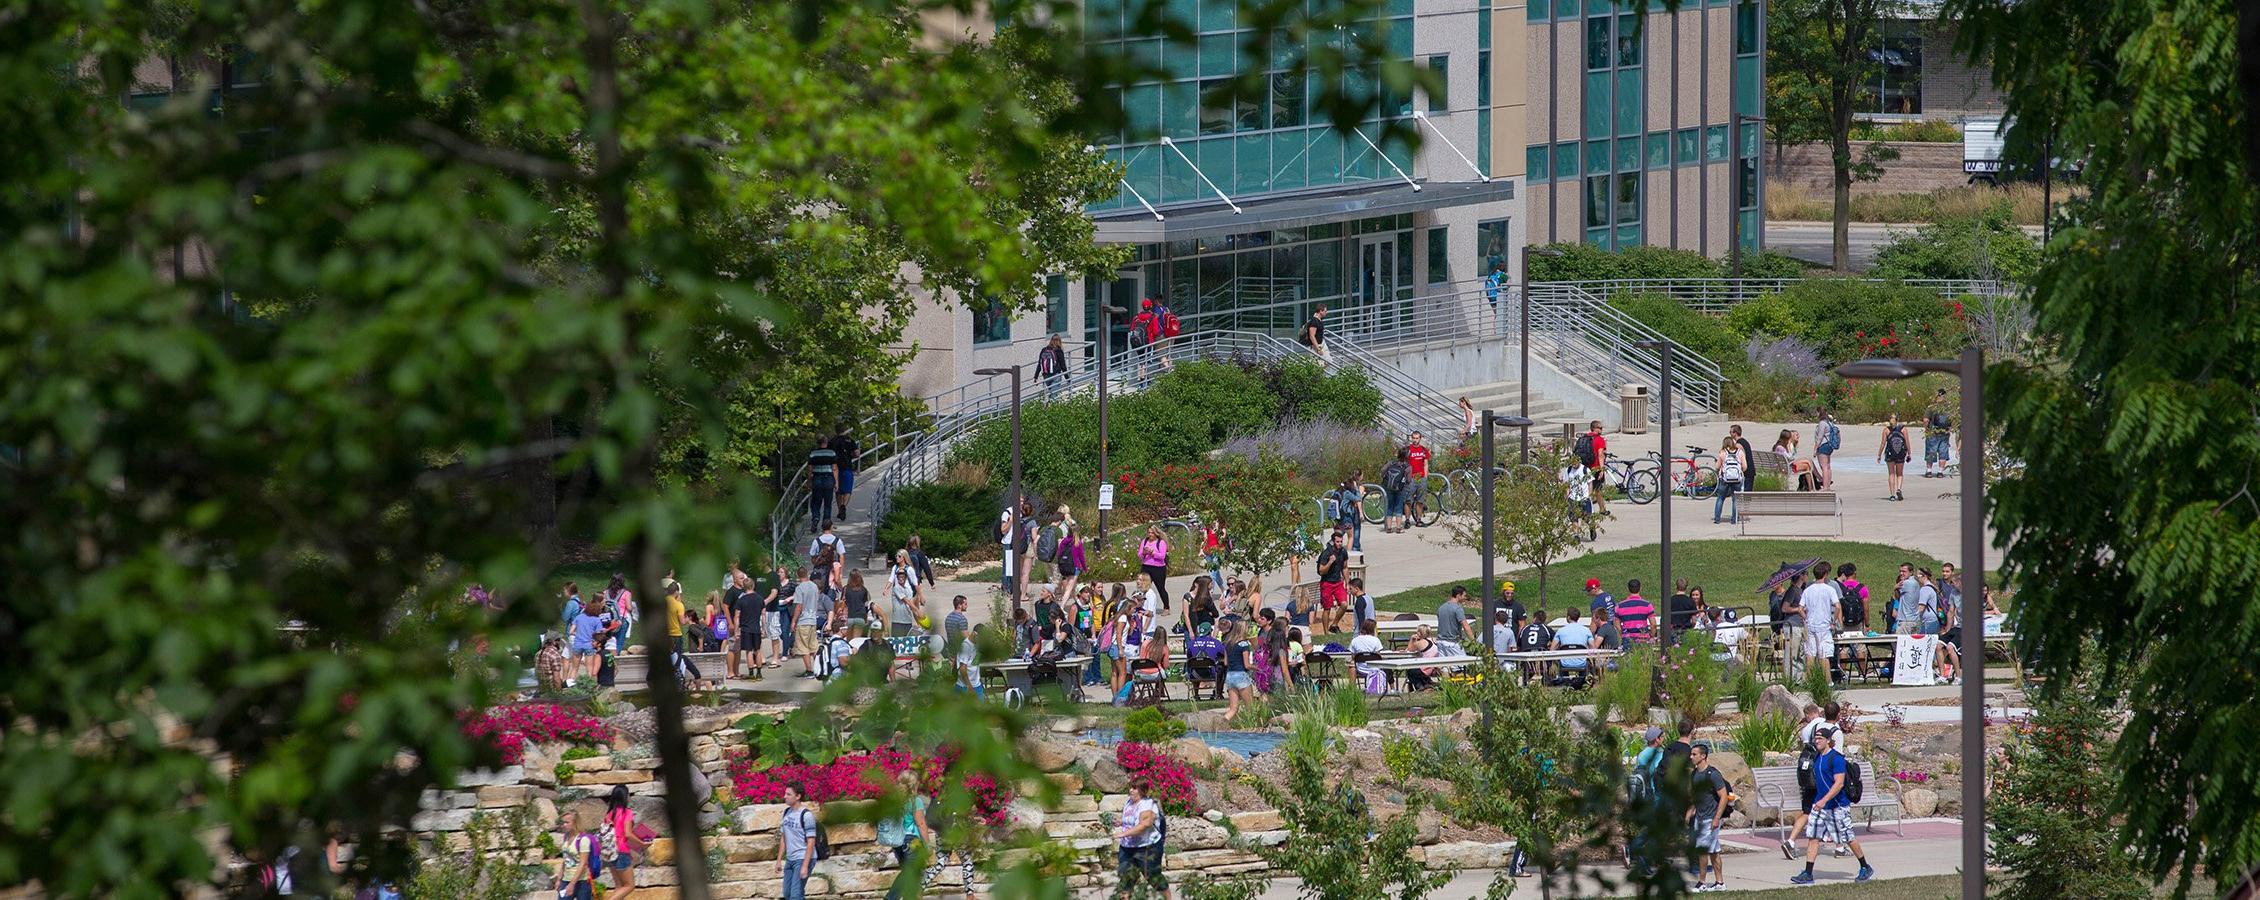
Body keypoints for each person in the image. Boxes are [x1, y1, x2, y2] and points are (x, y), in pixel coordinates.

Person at [1789, 726, 1874, 884]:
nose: (1817, 741)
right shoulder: (1818, 757)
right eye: (1816, 738)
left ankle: (1865, 867)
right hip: (1820, 806)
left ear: (1829, 741)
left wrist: (1823, 800)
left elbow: (1839, 783)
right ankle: (1808, 873)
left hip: (1837, 806)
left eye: (1820, 738)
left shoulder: (1836, 758)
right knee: (1813, 837)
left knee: (1848, 837)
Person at [906, 772, 976, 900]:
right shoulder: (959, 791)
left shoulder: (939, 791)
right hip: (955, 832)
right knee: (966, 861)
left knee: (941, 862)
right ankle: (970, 896)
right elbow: (966, 811)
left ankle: (919, 890)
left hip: (941, 831)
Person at [1114, 781, 1170, 899]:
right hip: (1127, 847)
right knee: (1126, 880)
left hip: (1148, 847)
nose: (1131, 790)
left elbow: (1144, 825)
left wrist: (1123, 834)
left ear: (1143, 790)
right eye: (1130, 787)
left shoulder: (1148, 805)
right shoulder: (1129, 802)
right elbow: (1132, 820)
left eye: (1135, 788)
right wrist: (1121, 822)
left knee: (1154, 879)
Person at [1687, 742, 1729, 892]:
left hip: (1710, 818)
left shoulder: (1713, 774)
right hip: (1700, 817)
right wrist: (1689, 812)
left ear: (1703, 756)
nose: (1691, 757)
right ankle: (1720, 882)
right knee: (1714, 851)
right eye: (1691, 754)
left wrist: (1717, 818)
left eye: (1694, 754)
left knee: (1703, 850)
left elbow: (1723, 796)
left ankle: (1702, 882)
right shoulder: (1694, 774)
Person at [601, 785, 650, 900]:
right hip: (621, 851)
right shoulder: (627, 813)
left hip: (610, 852)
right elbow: (627, 834)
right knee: (629, 885)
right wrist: (642, 844)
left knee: (619, 886)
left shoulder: (609, 814)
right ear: (624, 797)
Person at [1799, 561, 1840, 683]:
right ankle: (1828, 681)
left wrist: (1806, 618)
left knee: (1810, 654)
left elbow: (1800, 608)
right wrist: (1833, 620)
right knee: (1824, 655)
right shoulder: (1829, 589)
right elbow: (1837, 606)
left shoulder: (1808, 590)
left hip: (1811, 624)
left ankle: (1810, 680)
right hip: (1824, 625)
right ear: (1826, 574)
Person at [553, 810, 599, 900]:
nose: (564, 825)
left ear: (575, 823)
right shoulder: (566, 837)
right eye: (563, 823)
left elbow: (583, 863)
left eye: (567, 822)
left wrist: (572, 884)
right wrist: (559, 879)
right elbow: (565, 860)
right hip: (566, 879)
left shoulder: (583, 839)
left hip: (581, 881)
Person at [793, 569, 829, 678]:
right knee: (813, 646)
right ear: (807, 574)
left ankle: (809, 670)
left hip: (803, 620)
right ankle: (821, 667)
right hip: (813, 619)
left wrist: (794, 620)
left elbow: (799, 606)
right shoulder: (814, 586)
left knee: (803, 647)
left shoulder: (799, 588)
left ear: (797, 575)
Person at [1221, 619, 1258, 723]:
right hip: (1240, 675)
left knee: (1233, 708)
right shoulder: (1244, 644)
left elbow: (1226, 663)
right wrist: (1258, 668)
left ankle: (1221, 723)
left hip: (1230, 676)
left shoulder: (1228, 643)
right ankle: (1251, 727)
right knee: (1250, 707)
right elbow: (1247, 665)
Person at [1315, 531, 1349, 628]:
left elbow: (1345, 567)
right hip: (1327, 583)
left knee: (1344, 605)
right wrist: (1330, 562)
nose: (1340, 544)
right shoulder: (1327, 553)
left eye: (1341, 541)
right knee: (1327, 608)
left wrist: (1347, 582)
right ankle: (1326, 632)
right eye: (1338, 542)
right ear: (1333, 542)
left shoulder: (1343, 552)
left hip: (1338, 582)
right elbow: (1321, 571)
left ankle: (1334, 625)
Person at [1552, 607, 1595, 684]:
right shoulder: (1586, 630)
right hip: (1581, 662)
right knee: (1586, 661)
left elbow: (1552, 650)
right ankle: (1583, 681)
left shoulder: (1560, 631)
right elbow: (1593, 648)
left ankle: (1564, 681)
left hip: (1565, 663)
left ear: (1568, 617)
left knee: (1560, 660)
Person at [1713, 432, 1746, 525]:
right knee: (1735, 499)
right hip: (1737, 479)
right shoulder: (1740, 452)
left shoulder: (1722, 453)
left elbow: (1717, 467)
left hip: (1724, 479)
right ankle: (1734, 519)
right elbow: (1745, 467)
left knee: (1720, 498)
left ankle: (1717, 518)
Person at [1577, 420, 1609, 515]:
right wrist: (1602, 469)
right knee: (1598, 489)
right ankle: (1602, 509)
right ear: (1595, 428)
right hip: (1595, 467)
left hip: (1584, 467)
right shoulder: (1599, 439)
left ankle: (1580, 509)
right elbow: (1600, 454)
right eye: (1600, 428)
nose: (1601, 430)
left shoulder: (1584, 438)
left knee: (1584, 489)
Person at [806, 437, 839, 530]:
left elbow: (809, 469)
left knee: (816, 502)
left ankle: (815, 517)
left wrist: (809, 481)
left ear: (818, 443)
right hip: (828, 479)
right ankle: (826, 524)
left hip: (817, 479)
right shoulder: (831, 453)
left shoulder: (813, 453)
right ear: (826, 442)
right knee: (828, 503)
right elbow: (834, 468)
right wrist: (836, 482)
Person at [1348, 619, 1387, 695]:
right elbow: (1379, 656)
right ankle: (1391, 688)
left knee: (1351, 665)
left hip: (1360, 669)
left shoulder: (1355, 640)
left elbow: (1353, 656)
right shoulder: (1376, 640)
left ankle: (1351, 688)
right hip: (1374, 669)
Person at [943, 595, 973, 691]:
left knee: (953, 674)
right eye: (965, 604)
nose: (966, 606)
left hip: (951, 649)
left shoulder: (948, 617)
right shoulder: (961, 619)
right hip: (961, 652)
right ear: (959, 605)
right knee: (963, 676)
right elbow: (966, 636)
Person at [1380, 448, 1414, 533]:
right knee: (1399, 507)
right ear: (1407, 456)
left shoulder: (1391, 463)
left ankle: (1388, 528)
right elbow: (1409, 480)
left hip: (1389, 487)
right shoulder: (1408, 467)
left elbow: (1382, 470)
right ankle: (1398, 528)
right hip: (1400, 489)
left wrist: (1385, 477)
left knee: (1390, 506)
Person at [1879, 416, 1911, 501]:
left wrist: (1879, 455)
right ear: (1898, 420)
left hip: (1890, 454)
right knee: (1899, 474)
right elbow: (1907, 442)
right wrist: (1909, 453)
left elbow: (1883, 444)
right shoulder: (1903, 429)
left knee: (1891, 474)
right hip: (1900, 453)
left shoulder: (1886, 430)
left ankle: (1892, 495)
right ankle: (1899, 489)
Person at [1923, 387, 1953, 478]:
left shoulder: (1932, 407)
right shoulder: (1949, 408)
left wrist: (1926, 429)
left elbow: (1925, 420)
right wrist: (1949, 429)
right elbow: (1952, 420)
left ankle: (1929, 471)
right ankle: (1940, 472)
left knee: (1931, 451)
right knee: (1943, 452)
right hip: (1944, 433)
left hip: (1933, 432)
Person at [1328, 478, 1364, 554]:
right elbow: (1358, 498)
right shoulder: (1347, 493)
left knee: (1338, 535)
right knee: (1351, 537)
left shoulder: (1337, 492)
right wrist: (1357, 489)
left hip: (1337, 518)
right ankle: (1348, 556)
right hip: (1347, 518)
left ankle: (1332, 548)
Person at [1137, 526, 1170, 607]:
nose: (1150, 534)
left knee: (1160, 588)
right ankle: (1142, 605)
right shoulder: (1144, 541)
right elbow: (1139, 555)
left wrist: (1153, 553)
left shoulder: (1161, 543)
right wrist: (1144, 553)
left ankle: (1166, 607)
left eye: (1152, 533)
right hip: (1146, 566)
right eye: (1149, 532)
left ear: (1156, 534)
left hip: (1158, 568)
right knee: (1143, 587)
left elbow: (1162, 556)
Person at [832, 429, 861, 521]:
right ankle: (844, 506)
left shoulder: (833, 441)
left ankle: (839, 509)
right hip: (847, 467)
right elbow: (857, 454)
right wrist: (851, 455)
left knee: (838, 490)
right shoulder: (850, 440)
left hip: (835, 468)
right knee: (848, 490)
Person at [1404, 431, 1432, 522]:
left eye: (1417, 438)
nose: (1415, 440)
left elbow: (1426, 464)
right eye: (1414, 438)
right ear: (1411, 438)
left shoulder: (1424, 450)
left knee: (1420, 500)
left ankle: (1419, 519)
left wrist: (1425, 477)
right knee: (1408, 500)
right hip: (1411, 478)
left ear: (1420, 438)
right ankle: (1407, 520)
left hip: (1421, 477)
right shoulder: (1408, 450)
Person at [1616, 580, 1654, 644]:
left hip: (1627, 639)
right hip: (1643, 638)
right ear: (1640, 588)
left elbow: (1616, 622)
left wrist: (1622, 633)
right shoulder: (1647, 605)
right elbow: (1653, 624)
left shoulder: (1620, 606)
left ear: (1627, 589)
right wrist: (1651, 635)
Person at [1435, 586, 1471, 656]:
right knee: (1461, 664)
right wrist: (1473, 641)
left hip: (1440, 642)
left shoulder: (1441, 608)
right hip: (1452, 643)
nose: (1465, 598)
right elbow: (1465, 626)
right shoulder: (1457, 609)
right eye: (1464, 595)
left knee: (1445, 666)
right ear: (1458, 595)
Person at [1813, 410, 1842, 490]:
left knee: (1824, 467)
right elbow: (1838, 433)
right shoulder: (1830, 423)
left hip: (1823, 445)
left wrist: (1815, 449)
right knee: (1828, 466)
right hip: (1829, 446)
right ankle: (1828, 486)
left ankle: (1825, 487)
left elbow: (1820, 437)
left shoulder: (1822, 423)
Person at [1035, 333, 1070, 398]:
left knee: (1052, 393)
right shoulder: (1059, 351)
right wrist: (1068, 378)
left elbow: (1039, 363)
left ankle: (1048, 405)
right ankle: (1050, 406)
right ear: (1059, 341)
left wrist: (1036, 377)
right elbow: (1063, 366)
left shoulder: (1044, 350)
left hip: (1046, 376)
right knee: (1054, 396)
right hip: (1056, 375)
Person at [1890, 563, 1920, 636]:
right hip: (1915, 620)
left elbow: (1897, 597)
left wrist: (1895, 587)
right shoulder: (1916, 582)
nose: (1901, 573)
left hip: (1905, 620)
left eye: (1904, 571)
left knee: (1900, 644)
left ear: (1911, 572)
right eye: (1900, 571)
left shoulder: (1906, 583)